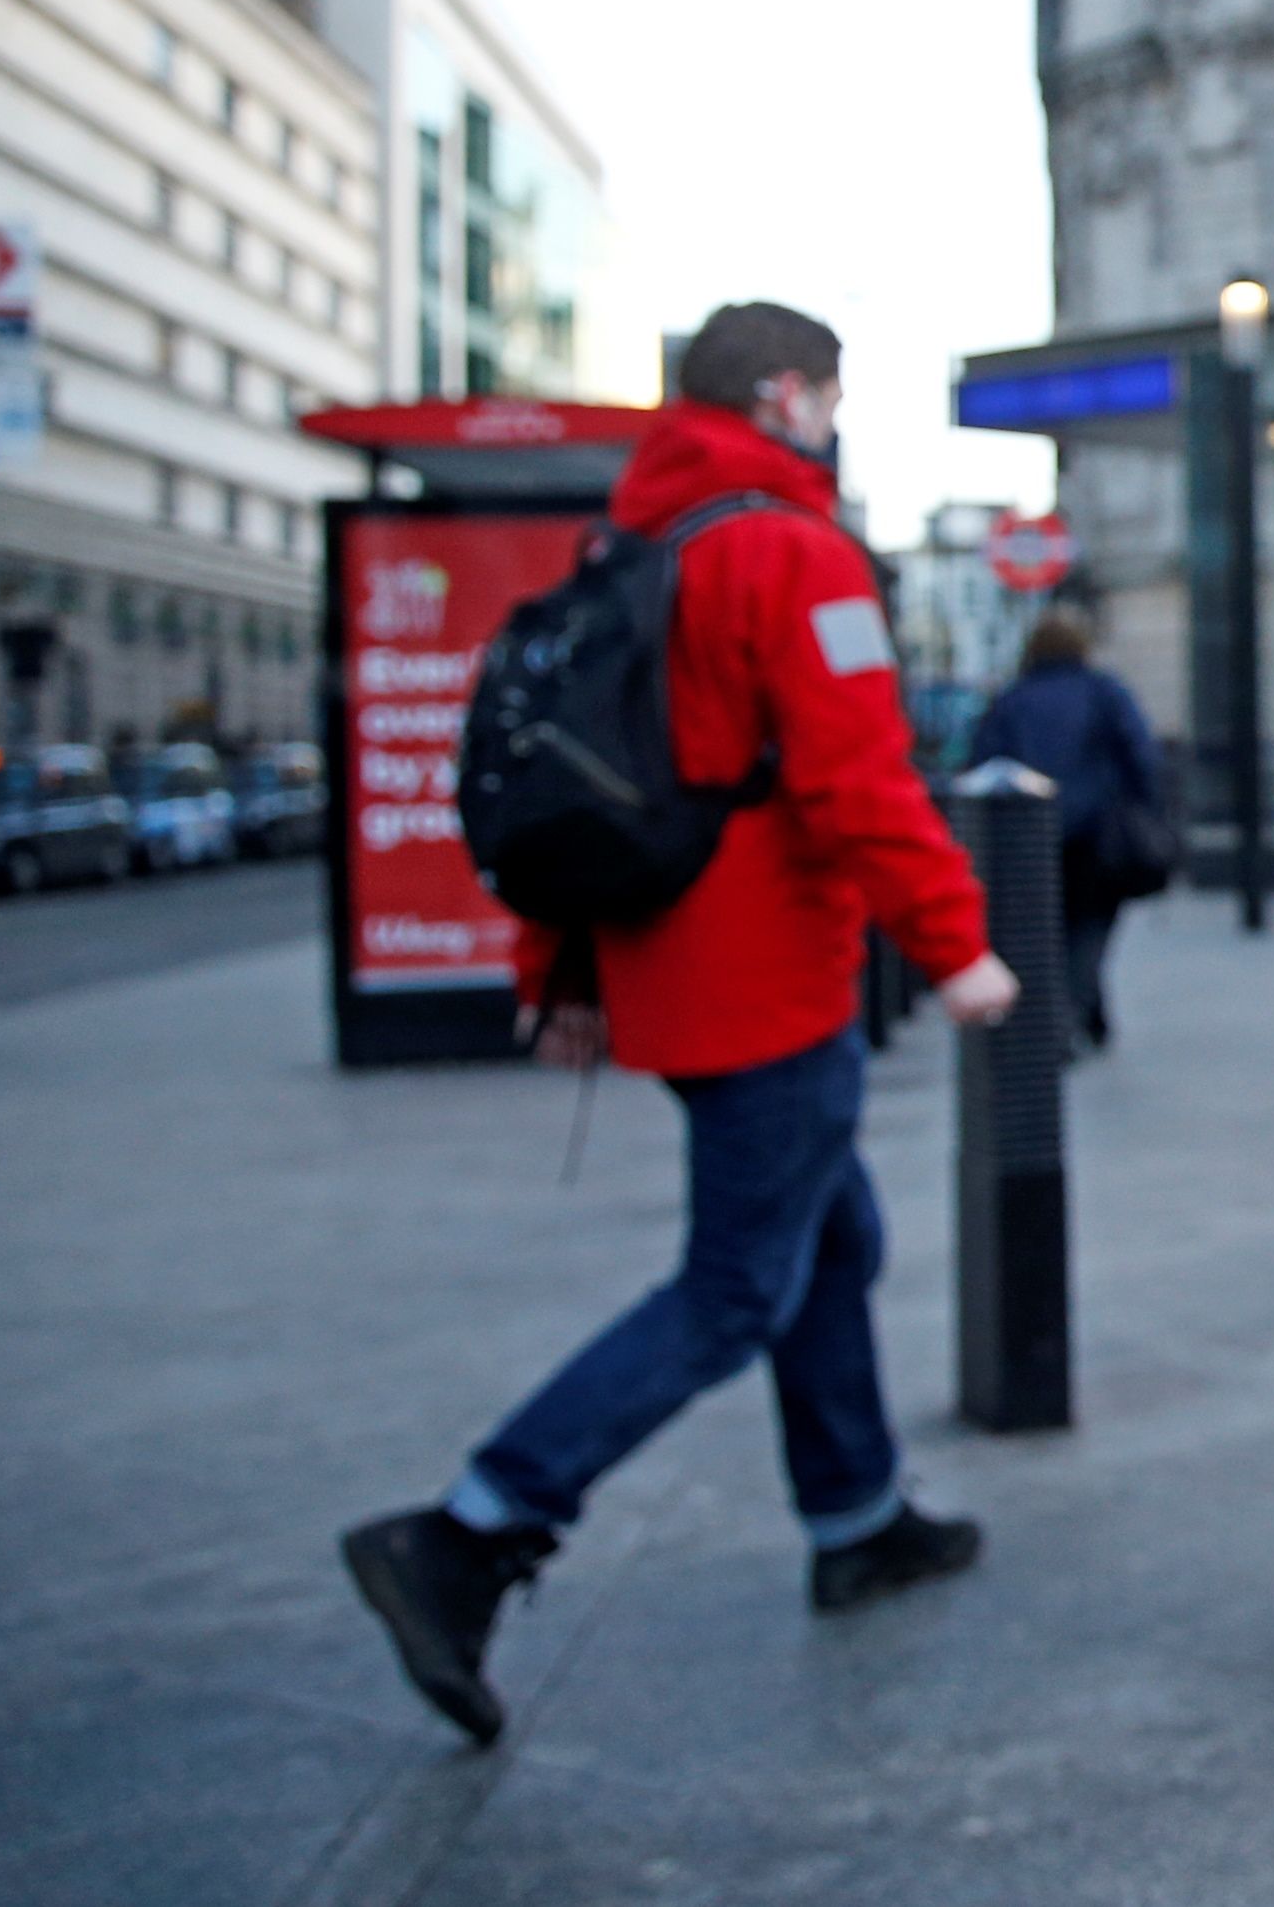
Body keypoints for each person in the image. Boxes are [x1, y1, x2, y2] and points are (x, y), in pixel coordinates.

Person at [340, 302, 1021, 1749]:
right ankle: (472, 1528)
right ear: (784, 394)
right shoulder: (787, 549)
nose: (833, 425)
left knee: (832, 1238)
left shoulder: (637, 541)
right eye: (829, 398)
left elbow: (576, 773)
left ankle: (857, 1510)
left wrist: (559, 970)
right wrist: (957, 945)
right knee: (731, 1290)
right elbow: (859, 783)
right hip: (766, 978)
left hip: (667, 967)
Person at [970, 610, 1164, 1050]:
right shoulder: (1103, 692)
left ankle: (1080, 1014)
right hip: (1097, 834)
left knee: (1048, 929)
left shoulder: (1014, 699)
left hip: (1029, 835)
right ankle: (1075, 1015)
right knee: (1091, 926)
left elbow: (985, 761)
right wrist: (1149, 812)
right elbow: (1141, 756)